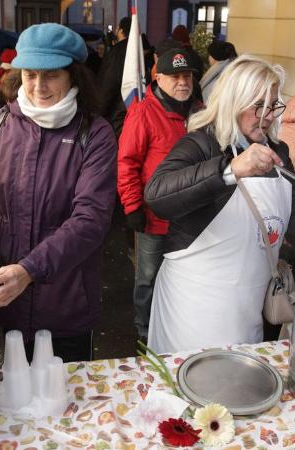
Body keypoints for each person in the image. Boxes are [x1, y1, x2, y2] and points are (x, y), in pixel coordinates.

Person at [143, 55, 295, 354]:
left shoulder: (278, 152)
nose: (269, 115)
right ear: (233, 102)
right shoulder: (201, 145)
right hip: (194, 304)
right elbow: (158, 195)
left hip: (249, 302)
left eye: (273, 104)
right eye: (259, 105)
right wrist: (229, 170)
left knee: (239, 384)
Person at [0, 24, 116, 363]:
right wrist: (1, 267)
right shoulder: (0, 124)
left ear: (73, 76)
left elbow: (90, 221)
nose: (39, 86)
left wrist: (29, 270)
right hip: (9, 299)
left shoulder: (94, 133)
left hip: (66, 302)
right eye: (30, 74)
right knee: (14, 403)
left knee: (66, 403)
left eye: (50, 75)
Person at [117, 49, 201, 344]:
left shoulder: (200, 111)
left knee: (186, 276)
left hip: (193, 217)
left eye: (187, 75)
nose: (182, 82)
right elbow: (127, 162)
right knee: (149, 279)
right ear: (159, 78)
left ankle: (177, 329)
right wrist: (132, 207)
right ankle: (144, 331)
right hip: (155, 218)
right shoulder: (143, 112)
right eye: (175, 76)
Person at [97, 16, 131, 137]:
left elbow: (109, 84)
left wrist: (99, 111)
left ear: (121, 31)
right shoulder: (136, 51)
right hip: (129, 111)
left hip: (115, 115)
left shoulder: (118, 52)